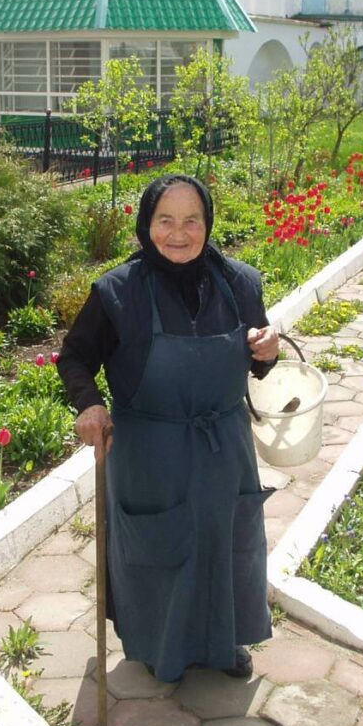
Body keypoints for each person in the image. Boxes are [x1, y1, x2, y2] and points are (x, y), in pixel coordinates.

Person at [57, 174, 279, 683]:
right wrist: (89, 404)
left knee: (230, 541)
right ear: (146, 224)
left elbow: (259, 358)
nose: (179, 233)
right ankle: (161, 647)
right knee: (162, 549)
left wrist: (268, 351)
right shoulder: (118, 291)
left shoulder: (240, 282)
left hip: (224, 445)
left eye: (191, 220)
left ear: (207, 224)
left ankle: (227, 643)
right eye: (166, 220)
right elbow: (75, 356)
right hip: (151, 452)